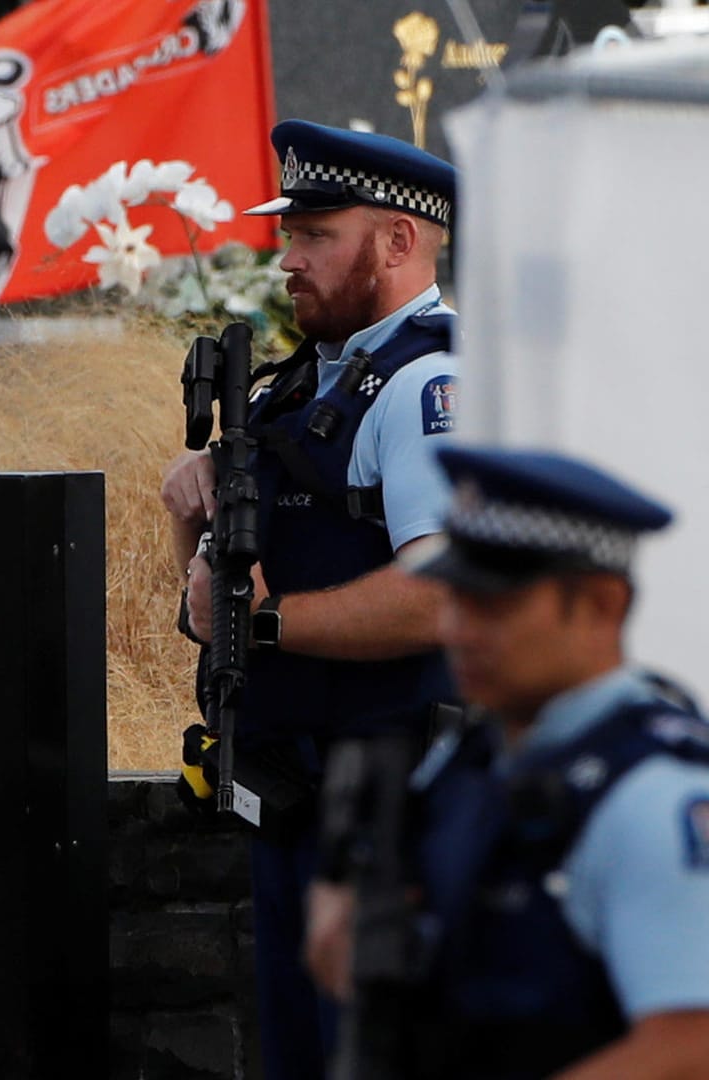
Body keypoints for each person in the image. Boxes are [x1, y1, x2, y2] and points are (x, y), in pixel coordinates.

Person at [160, 119, 462, 1080]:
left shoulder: (425, 385)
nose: (286, 257)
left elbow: (444, 597)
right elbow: (209, 611)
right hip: (291, 802)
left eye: (316, 234)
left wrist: (270, 617)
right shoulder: (299, 390)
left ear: (397, 243)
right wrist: (193, 516)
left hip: (386, 812)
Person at [306, 445, 709, 1078]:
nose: (459, 630)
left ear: (603, 604)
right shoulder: (469, 758)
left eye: (492, 606)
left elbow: (690, 1049)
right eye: (455, 600)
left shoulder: (653, 793)